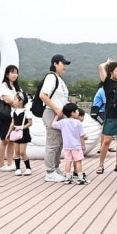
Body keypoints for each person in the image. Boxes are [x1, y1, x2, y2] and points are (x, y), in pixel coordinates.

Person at [41, 54, 71, 182]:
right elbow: (43, 95)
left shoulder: (59, 79)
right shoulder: (51, 77)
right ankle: (49, 172)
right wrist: (56, 109)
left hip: (59, 114)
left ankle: (55, 168)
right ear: (55, 64)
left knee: (59, 143)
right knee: (52, 144)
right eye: (63, 64)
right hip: (52, 113)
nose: (65, 66)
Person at [96, 60, 117, 174]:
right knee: (107, 140)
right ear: (111, 72)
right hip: (111, 115)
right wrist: (107, 63)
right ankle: (101, 165)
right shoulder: (107, 82)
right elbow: (100, 66)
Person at [0, 65, 26, 172]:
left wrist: (17, 103)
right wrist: (16, 103)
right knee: (4, 140)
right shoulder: (3, 86)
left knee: (12, 141)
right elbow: (7, 100)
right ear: (7, 74)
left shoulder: (18, 88)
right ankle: (1, 165)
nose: (14, 75)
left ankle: (9, 163)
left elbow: (23, 100)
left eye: (16, 72)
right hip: (5, 116)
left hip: (15, 116)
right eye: (12, 72)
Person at [51, 103, 88, 185]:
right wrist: (83, 145)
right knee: (78, 161)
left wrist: (57, 115)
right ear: (72, 113)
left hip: (67, 146)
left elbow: (53, 124)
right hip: (76, 146)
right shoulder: (78, 122)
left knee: (68, 161)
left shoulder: (62, 122)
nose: (78, 112)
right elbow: (81, 135)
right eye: (77, 111)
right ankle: (80, 178)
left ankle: (68, 178)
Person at [6, 90, 33, 176]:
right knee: (16, 151)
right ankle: (18, 168)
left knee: (22, 152)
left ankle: (28, 168)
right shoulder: (14, 111)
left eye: (15, 99)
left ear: (21, 101)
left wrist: (21, 127)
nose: (13, 101)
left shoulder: (26, 111)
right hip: (15, 133)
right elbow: (12, 123)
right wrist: (8, 133)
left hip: (23, 133)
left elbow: (30, 123)